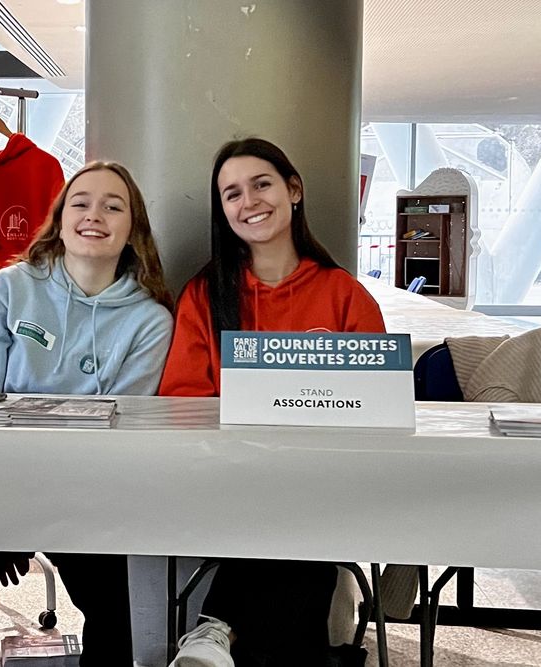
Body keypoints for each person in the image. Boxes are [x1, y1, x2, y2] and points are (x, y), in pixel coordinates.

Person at [0, 161, 174, 666]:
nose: (95, 215)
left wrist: (41, 510)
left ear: (134, 230)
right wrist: (12, 515)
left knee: (113, 615)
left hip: (89, 487)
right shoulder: (6, 289)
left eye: (114, 206)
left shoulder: (151, 320)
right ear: (60, 219)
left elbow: (119, 424)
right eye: (81, 203)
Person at [161, 138, 385, 667]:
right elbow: (182, 399)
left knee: (305, 514)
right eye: (231, 193)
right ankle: (236, 637)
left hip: (329, 479)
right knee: (302, 548)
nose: (248, 202)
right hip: (230, 477)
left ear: (293, 190)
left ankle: (217, 627)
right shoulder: (204, 295)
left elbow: (381, 401)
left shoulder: (345, 295)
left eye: (261, 184)